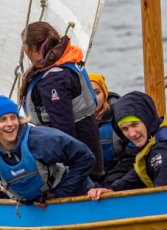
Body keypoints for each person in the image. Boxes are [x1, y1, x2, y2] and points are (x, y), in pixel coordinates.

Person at [18, 21, 104, 180]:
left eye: (25, 47)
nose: (25, 52)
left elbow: (64, 127)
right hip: (88, 141)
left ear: (34, 48)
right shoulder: (65, 61)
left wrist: (60, 170)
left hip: (77, 154)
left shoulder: (53, 79)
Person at [88, 73, 124, 176]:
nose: (93, 98)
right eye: (87, 92)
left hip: (117, 173)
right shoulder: (74, 119)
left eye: (97, 92)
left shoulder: (118, 115)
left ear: (104, 94)